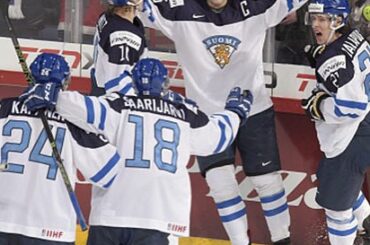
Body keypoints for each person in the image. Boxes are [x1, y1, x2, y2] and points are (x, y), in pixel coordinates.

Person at [21, 58, 254, 245]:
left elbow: (85, 108)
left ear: (133, 82)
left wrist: (52, 95)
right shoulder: (185, 115)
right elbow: (216, 138)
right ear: (164, 84)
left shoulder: (118, 105)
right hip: (160, 218)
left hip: (111, 216)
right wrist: (235, 113)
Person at [138, 0, 309, 244]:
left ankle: (283, 241)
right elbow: (134, 5)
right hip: (206, 115)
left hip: (254, 110)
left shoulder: (258, 6)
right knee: (221, 185)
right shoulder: (177, 10)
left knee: (266, 181)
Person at [0, 53, 121, 245]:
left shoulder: (3, 109)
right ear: (66, 82)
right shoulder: (73, 121)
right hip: (50, 229)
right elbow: (110, 173)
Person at [301, 0, 370, 244]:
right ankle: (366, 225)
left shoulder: (334, 58)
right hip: (363, 131)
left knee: (336, 209)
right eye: (314, 19)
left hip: (353, 134)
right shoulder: (352, 36)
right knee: (338, 183)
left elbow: (352, 107)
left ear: (338, 20)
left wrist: (317, 106)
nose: (316, 25)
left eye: (323, 19)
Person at [91, 0, 148, 96]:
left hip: (100, 87)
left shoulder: (108, 17)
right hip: (113, 100)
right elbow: (117, 84)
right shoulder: (124, 36)